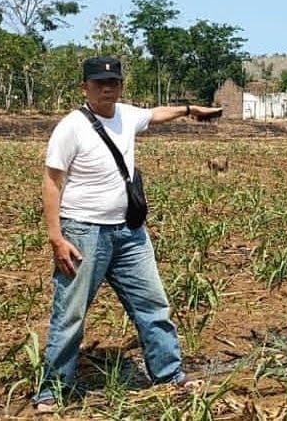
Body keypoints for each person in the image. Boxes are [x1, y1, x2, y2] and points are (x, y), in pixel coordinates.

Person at [33, 56, 222, 412]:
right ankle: (52, 392)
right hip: (83, 232)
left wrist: (188, 109)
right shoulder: (71, 127)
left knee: (153, 305)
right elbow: (52, 182)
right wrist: (56, 237)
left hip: (130, 233)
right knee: (70, 314)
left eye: (114, 82)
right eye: (99, 83)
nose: (107, 88)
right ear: (84, 88)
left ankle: (169, 375)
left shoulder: (127, 115)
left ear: (120, 86)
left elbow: (155, 113)